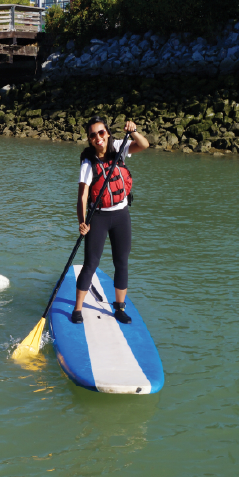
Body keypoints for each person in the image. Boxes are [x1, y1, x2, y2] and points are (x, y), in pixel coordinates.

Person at [72, 117, 149, 325]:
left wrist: (133, 131)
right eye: (93, 135)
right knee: (91, 263)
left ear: (107, 133)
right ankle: (77, 308)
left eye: (101, 133)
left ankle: (120, 308)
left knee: (121, 262)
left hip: (121, 215)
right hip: (98, 217)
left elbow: (144, 144)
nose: (98, 138)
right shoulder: (88, 162)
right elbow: (82, 196)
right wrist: (82, 221)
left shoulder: (118, 147)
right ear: (89, 139)